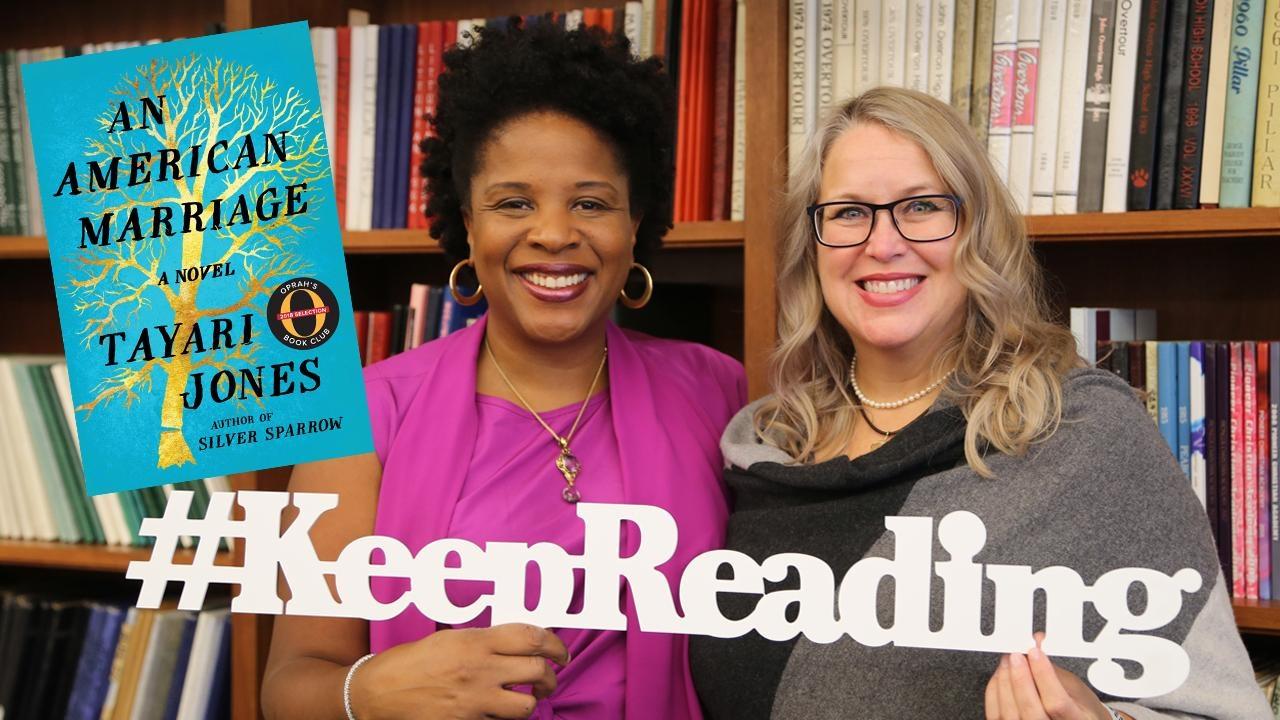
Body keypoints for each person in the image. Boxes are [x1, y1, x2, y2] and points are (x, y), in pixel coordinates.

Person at [688, 87, 1270, 719]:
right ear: (813, 242)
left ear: (979, 231)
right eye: (850, 212)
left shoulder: (1082, 433)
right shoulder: (767, 446)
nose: (883, 244)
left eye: (922, 206)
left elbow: (1227, 708)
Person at [261, 20, 745, 720]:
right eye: (514, 202)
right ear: (468, 223)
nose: (553, 234)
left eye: (590, 203)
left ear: (634, 223)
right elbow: (288, 689)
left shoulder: (718, 391)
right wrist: (377, 687)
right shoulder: (366, 414)